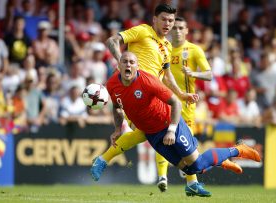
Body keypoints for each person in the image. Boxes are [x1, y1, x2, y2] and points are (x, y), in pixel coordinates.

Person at [103, 52, 260, 196]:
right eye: (125, 61)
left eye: (132, 62)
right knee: (190, 168)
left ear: (137, 66)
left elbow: (175, 102)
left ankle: (237, 150)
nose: (128, 65)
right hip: (152, 134)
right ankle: (221, 161)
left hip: (169, 124)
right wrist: (117, 129)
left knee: (197, 164)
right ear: (119, 65)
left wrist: (171, 130)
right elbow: (117, 108)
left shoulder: (147, 80)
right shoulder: (112, 85)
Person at [91, 3, 206, 196]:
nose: (167, 24)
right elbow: (112, 41)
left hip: (152, 95)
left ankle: (191, 180)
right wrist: (121, 63)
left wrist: (181, 94)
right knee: (160, 129)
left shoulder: (168, 46)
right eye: (164, 19)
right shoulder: (142, 31)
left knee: (159, 131)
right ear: (155, 20)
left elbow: (167, 77)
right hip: (132, 90)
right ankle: (191, 180)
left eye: (171, 20)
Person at [168, 17, 215, 196]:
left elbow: (209, 75)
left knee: (183, 143)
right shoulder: (164, 48)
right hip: (165, 102)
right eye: (175, 28)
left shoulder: (194, 50)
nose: (177, 31)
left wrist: (193, 73)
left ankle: (191, 181)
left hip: (185, 105)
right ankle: (168, 178)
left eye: (181, 28)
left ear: (187, 30)